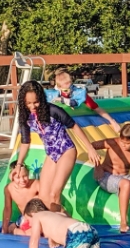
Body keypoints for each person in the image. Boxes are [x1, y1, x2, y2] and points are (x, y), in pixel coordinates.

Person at [13, 81, 102, 212]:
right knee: (44, 197)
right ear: (23, 102)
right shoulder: (25, 117)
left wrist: (90, 148)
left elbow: (74, 126)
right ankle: (65, 221)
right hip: (51, 154)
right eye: (29, 103)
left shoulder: (52, 110)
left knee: (54, 194)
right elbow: (25, 142)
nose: (33, 106)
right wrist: (19, 164)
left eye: (36, 102)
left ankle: (59, 228)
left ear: (41, 99)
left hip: (66, 150)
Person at [49, 68, 121, 133]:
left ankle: (113, 121)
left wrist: (112, 121)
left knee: (93, 106)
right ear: (59, 87)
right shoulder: (55, 92)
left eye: (70, 84)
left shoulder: (77, 92)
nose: (68, 88)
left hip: (76, 98)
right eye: (66, 87)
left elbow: (94, 107)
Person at [2, 160, 41, 235]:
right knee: (12, 229)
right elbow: (7, 209)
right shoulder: (9, 189)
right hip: (24, 218)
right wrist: (4, 227)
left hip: (37, 217)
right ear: (11, 177)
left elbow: (47, 200)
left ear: (28, 173)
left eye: (25, 176)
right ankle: (15, 230)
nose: (22, 180)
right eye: (18, 177)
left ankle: (17, 229)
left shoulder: (36, 184)